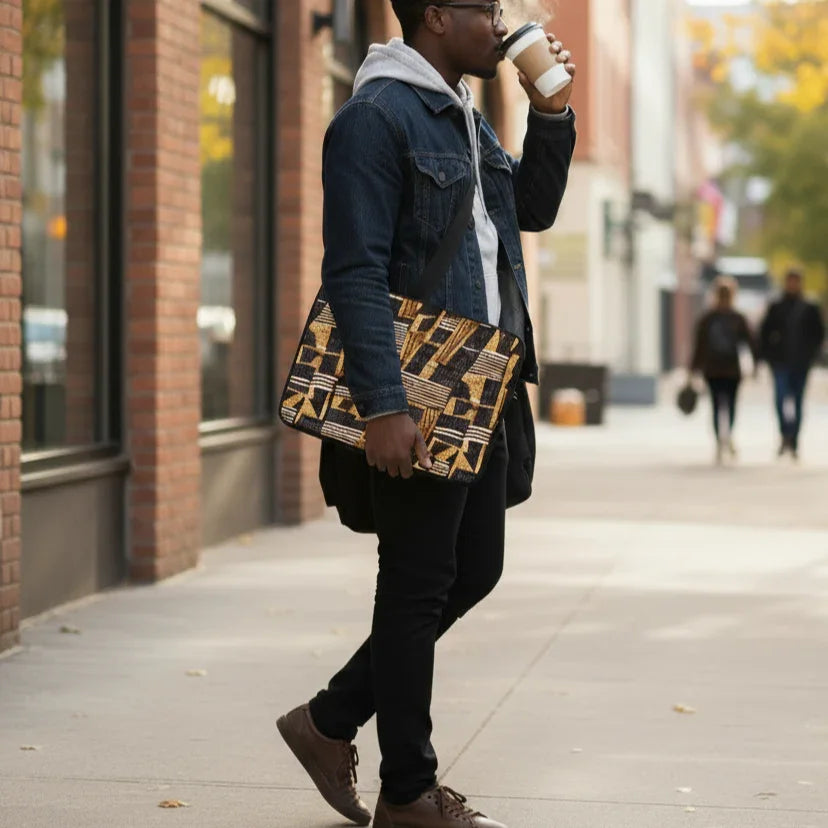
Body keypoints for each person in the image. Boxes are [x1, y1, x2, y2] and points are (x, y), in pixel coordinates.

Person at [276, 3, 576, 827]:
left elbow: (530, 211)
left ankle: (328, 720)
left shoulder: (462, 115)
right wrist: (384, 404)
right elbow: (354, 272)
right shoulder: (374, 118)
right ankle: (408, 790)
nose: (501, 25)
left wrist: (551, 115)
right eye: (488, 10)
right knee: (414, 586)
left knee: (474, 568)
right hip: (419, 387)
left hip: (481, 383)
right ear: (438, 16)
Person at [759, 268, 826, 459]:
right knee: (780, 398)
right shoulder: (777, 306)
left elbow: (819, 334)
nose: (792, 285)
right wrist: (768, 355)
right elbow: (765, 332)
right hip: (780, 362)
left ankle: (794, 440)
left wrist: (812, 354)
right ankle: (785, 434)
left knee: (797, 401)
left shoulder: (809, 307)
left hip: (801, 362)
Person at [690, 275, 757, 463]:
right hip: (713, 370)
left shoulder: (738, 318)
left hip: (732, 370)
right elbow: (699, 346)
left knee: (731, 406)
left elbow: (750, 342)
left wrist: (755, 364)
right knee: (716, 406)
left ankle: (728, 436)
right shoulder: (708, 319)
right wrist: (693, 369)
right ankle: (720, 441)